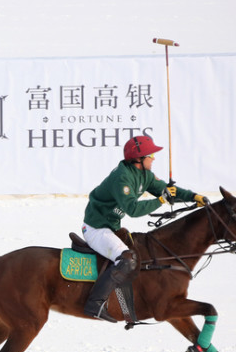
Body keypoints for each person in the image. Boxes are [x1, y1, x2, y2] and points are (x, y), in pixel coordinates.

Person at [81, 134, 208, 321]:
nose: (154, 159)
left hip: (112, 227)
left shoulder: (144, 174)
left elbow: (167, 190)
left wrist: (193, 197)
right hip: (96, 228)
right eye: (151, 155)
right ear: (138, 159)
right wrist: (161, 200)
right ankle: (95, 304)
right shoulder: (122, 178)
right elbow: (132, 209)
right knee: (126, 259)